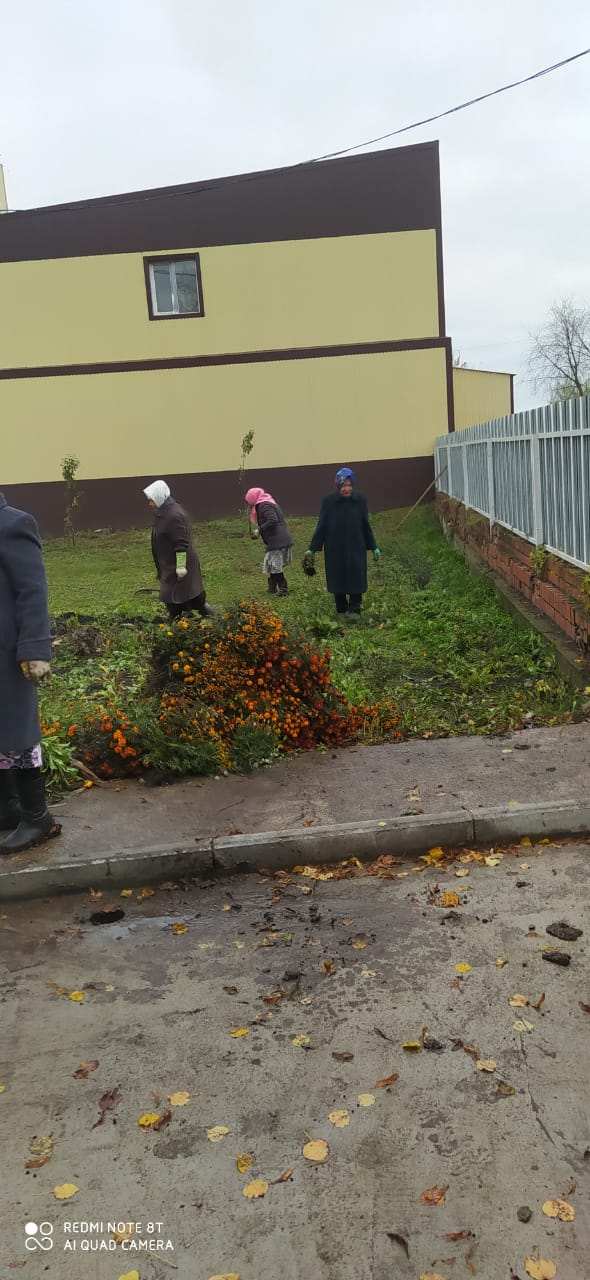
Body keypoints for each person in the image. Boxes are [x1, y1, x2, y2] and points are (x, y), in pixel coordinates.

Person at [0, 492, 60, 854]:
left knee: (19, 735)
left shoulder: (13, 523)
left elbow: (33, 591)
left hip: (9, 655)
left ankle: (38, 817)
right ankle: (8, 808)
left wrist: (35, 650)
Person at [304, 467, 381, 616]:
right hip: (335, 547)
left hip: (356, 546)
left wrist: (373, 546)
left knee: (356, 574)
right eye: (343, 485)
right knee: (337, 575)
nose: (347, 489)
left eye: (349, 485)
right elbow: (322, 525)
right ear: (338, 485)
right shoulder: (329, 502)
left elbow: (365, 525)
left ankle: (355, 607)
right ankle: (341, 607)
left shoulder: (360, 501)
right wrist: (312, 548)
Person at [143, 480, 215, 619]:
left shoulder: (174, 516)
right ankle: (184, 616)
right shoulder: (163, 512)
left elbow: (181, 543)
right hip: (169, 563)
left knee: (182, 593)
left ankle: (193, 616)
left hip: (177, 564)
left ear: (159, 497)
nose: (149, 504)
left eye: (151, 500)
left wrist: (181, 566)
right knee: (180, 593)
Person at [245, 485, 293, 596]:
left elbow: (273, 519)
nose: (249, 503)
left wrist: (259, 530)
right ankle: (272, 587)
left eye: (249, 500)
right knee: (272, 564)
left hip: (278, 540)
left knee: (275, 565)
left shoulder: (265, 505)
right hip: (277, 539)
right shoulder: (267, 502)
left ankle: (283, 589)